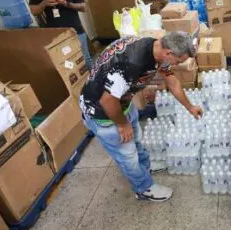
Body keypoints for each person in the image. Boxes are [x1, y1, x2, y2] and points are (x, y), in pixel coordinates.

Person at [79, 32, 202, 202]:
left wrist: (190, 107)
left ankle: (145, 168)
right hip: (102, 111)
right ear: (169, 53)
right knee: (127, 154)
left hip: (122, 102)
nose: (177, 65)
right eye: (179, 61)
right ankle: (144, 188)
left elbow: (171, 81)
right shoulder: (132, 62)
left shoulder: (156, 48)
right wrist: (122, 125)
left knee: (136, 140)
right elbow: (107, 100)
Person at [29, 0, 93, 69]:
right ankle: (77, 85)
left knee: (85, 59)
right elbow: (34, 11)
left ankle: (94, 83)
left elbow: (83, 7)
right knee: (66, 63)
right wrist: (44, 3)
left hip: (75, 31)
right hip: (55, 34)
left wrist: (66, 4)